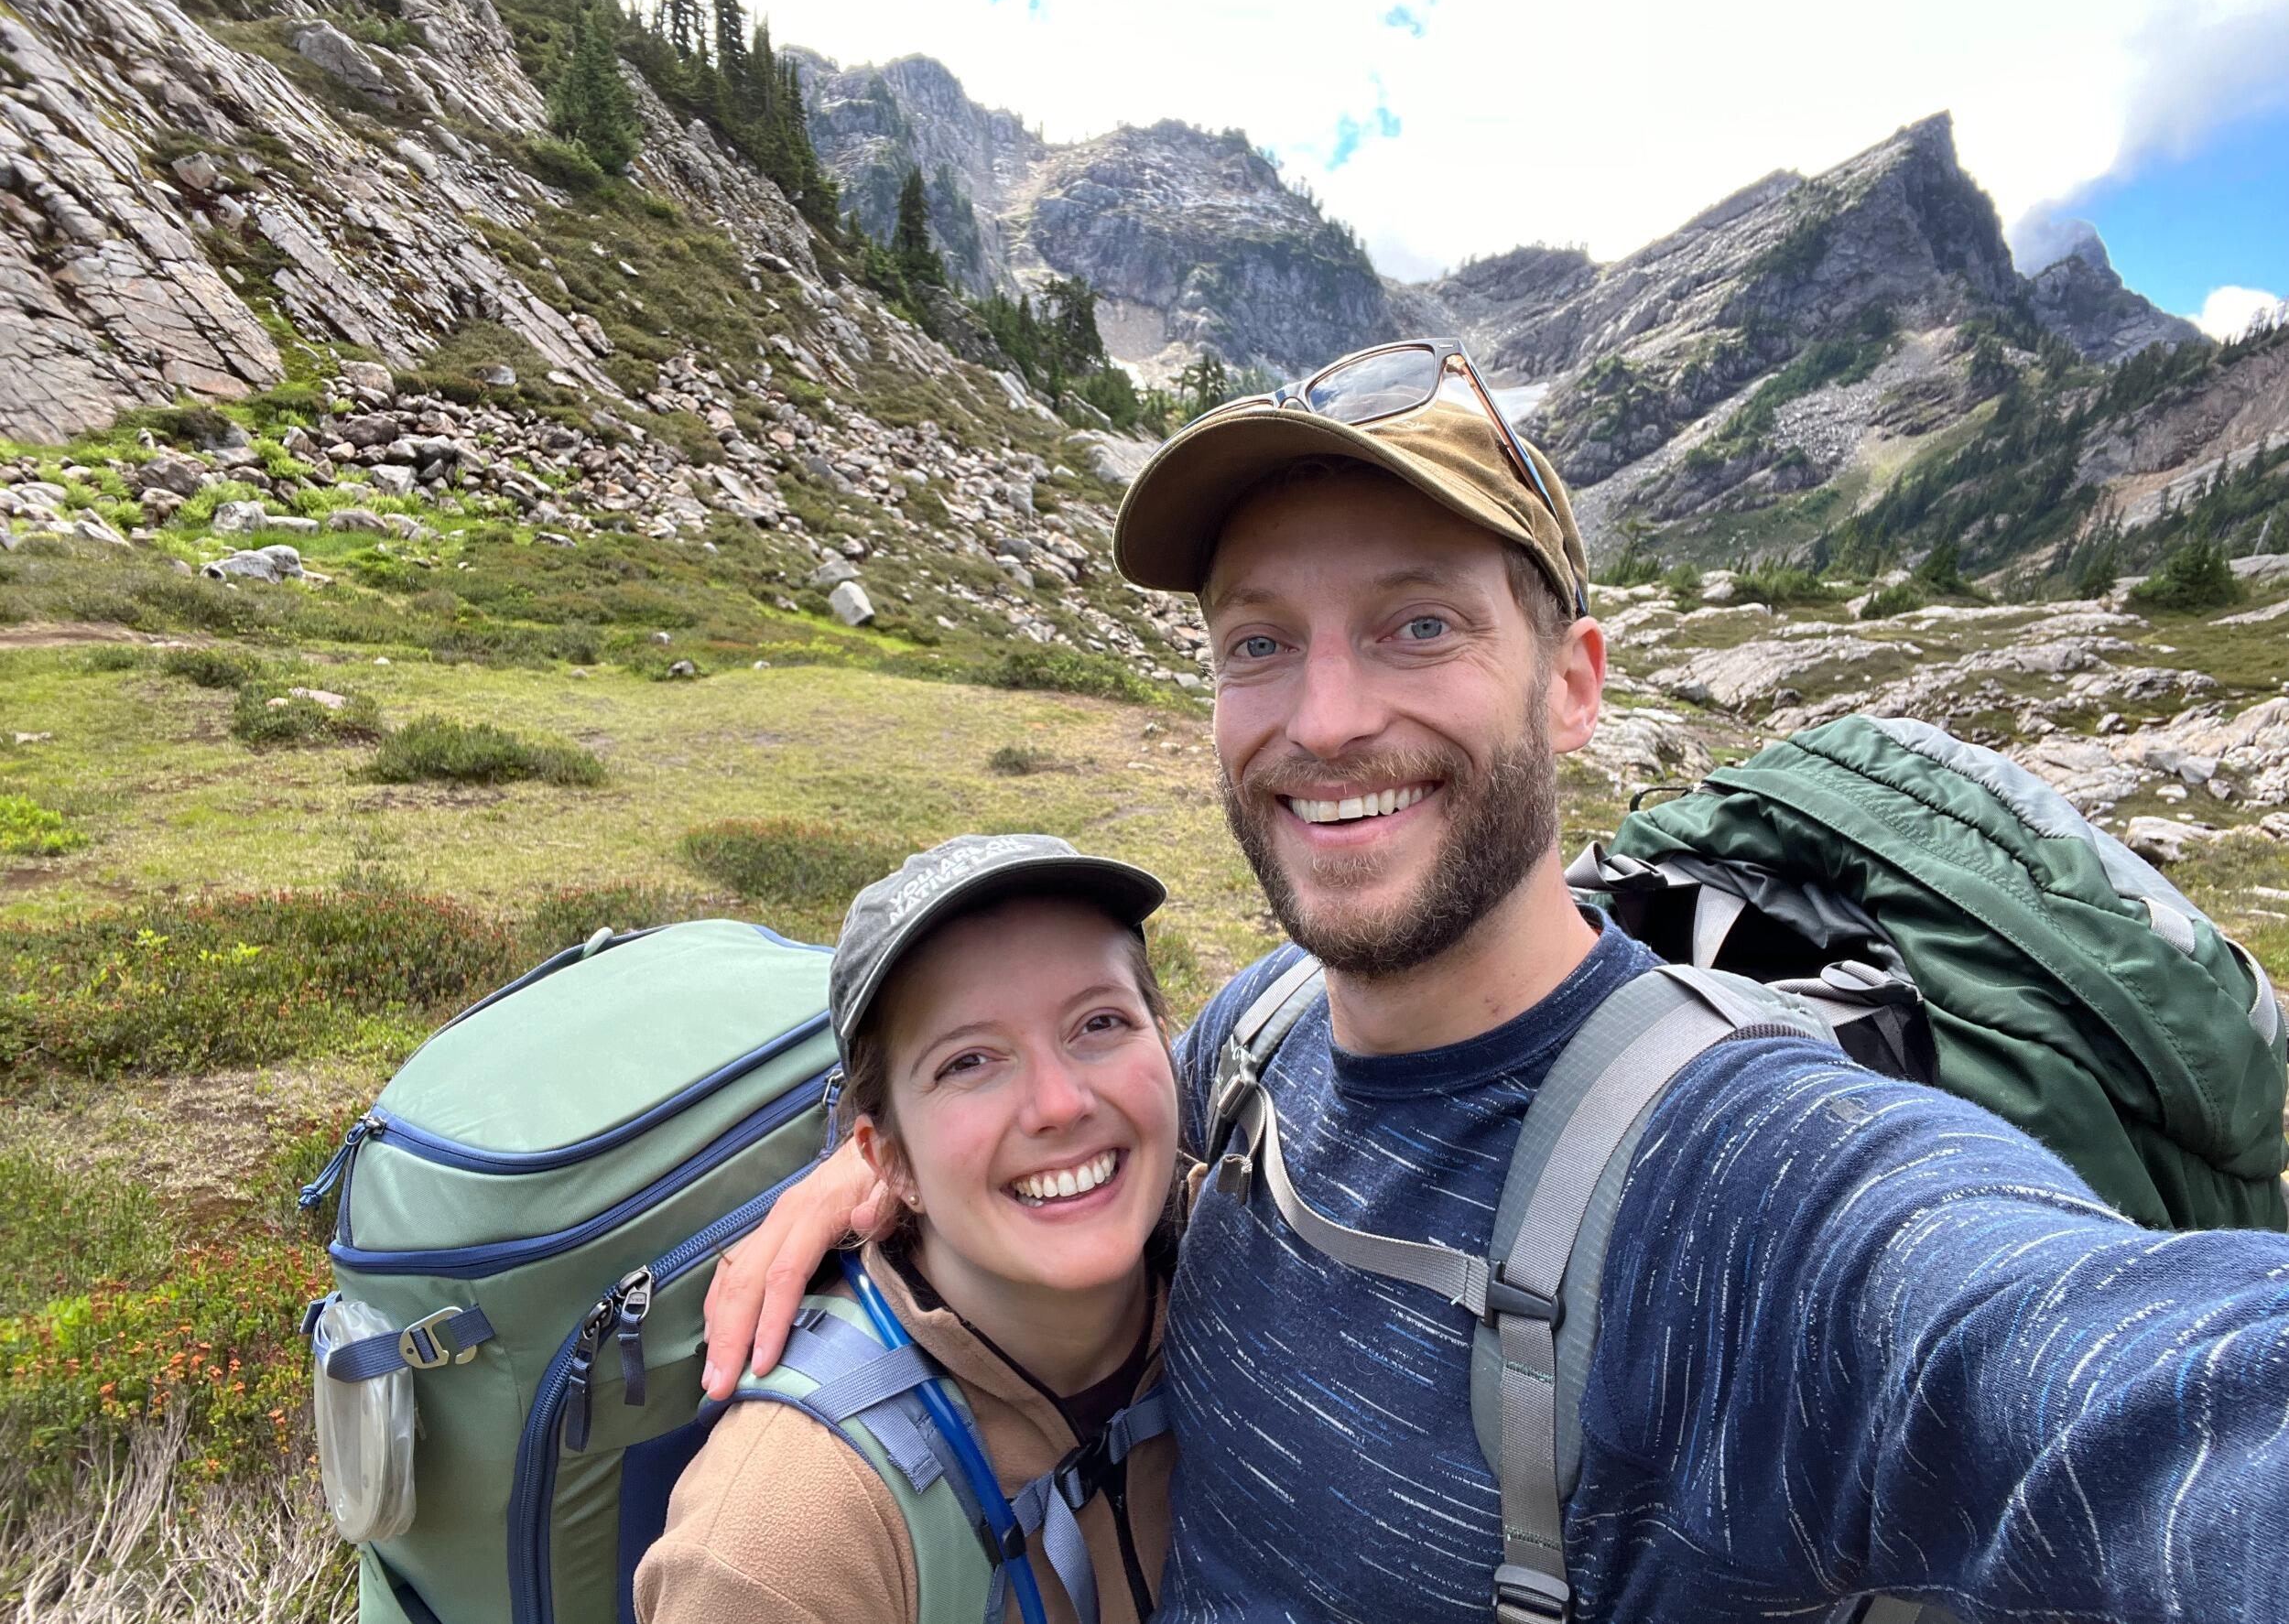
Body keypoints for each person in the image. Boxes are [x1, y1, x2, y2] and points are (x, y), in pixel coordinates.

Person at [702, 341, 2289, 1622]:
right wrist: (870, 1177)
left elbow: (2104, 1378)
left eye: (1418, 623)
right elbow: (1069, 1146)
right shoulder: (1250, 1040)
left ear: (1575, 687)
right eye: (1259, 644)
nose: (1322, 719)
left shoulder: (1751, 1187)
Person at [641, 834, 1180, 1624]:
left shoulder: (1261, 1247)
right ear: (887, 1159)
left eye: (1099, 1021)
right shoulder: (779, 1545)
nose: (1061, 1103)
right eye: (969, 1061)